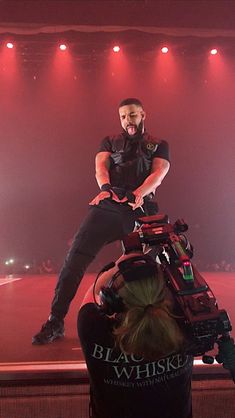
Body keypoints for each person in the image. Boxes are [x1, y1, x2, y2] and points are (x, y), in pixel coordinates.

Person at [32, 98, 170, 344]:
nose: (129, 120)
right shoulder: (109, 141)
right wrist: (105, 188)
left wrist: (139, 193)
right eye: (124, 116)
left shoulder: (158, 144)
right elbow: (100, 167)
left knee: (152, 267)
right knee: (74, 258)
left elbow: (159, 173)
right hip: (110, 204)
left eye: (133, 115)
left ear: (143, 115)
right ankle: (55, 321)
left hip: (141, 207)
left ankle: (154, 322)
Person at [77, 252, 193, 418]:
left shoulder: (92, 325)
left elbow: (93, 292)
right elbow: (190, 284)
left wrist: (124, 259)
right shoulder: (186, 321)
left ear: (112, 300)